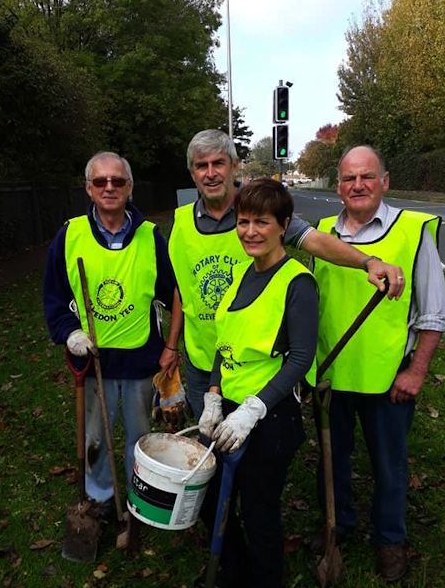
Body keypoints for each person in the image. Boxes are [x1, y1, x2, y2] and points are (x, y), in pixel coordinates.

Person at [164, 129, 406, 424]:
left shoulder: (261, 210)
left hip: (257, 364)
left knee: (256, 452)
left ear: (235, 165)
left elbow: (314, 240)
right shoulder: (180, 224)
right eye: (202, 166)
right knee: (210, 446)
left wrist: (367, 261)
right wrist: (172, 345)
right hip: (204, 361)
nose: (211, 173)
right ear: (192, 173)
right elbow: (182, 288)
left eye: (219, 163)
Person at [311, 145, 445, 581]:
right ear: (338, 186)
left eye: (367, 177)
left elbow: (433, 311)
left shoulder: (412, 231)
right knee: (333, 459)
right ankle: (340, 523)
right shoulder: (321, 234)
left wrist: (417, 370)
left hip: (389, 376)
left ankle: (390, 539)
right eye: (349, 178)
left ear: (384, 182)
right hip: (332, 373)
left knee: (390, 464)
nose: (358, 185)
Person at [197, 178, 318, 588]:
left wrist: (253, 409)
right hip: (227, 409)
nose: (249, 231)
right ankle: (233, 573)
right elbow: (222, 343)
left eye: (261, 222)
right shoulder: (242, 274)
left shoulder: (296, 282)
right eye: (243, 221)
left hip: (269, 416)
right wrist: (213, 395)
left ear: (283, 225)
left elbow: (302, 357)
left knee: (258, 506)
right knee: (211, 500)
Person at [43, 151, 176, 514]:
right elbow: (54, 295)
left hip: (140, 358)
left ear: (129, 187)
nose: (109, 187)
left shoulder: (150, 237)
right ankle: (100, 497)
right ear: (88, 188)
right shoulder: (70, 235)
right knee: (95, 436)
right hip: (90, 359)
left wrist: (172, 345)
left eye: (117, 181)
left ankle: (139, 497)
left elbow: (173, 292)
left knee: (139, 436)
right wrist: (69, 333)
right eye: (100, 181)